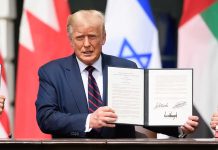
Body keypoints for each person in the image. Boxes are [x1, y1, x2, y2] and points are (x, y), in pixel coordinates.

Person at [35, 9, 199, 138]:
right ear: (71, 40)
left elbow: (145, 114)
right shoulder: (51, 72)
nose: (86, 44)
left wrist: (178, 125)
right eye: (80, 38)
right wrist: (89, 120)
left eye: (92, 36)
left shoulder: (126, 68)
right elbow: (46, 118)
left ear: (104, 38)